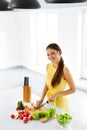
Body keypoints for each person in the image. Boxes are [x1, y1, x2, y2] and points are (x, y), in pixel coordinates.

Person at [35, 43, 76, 112]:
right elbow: (47, 84)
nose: (50, 56)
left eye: (52, 53)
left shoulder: (65, 70)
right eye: (48, 54)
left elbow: (73, 89)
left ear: (59, 52)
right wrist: (41, 99)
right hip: (49, 100)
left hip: (60, 103)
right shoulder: (48, 66)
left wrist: (56, 94)